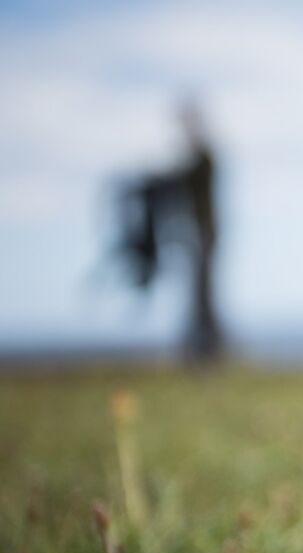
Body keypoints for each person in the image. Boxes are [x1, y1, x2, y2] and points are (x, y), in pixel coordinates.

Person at [111, 100, 222, 362]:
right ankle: (202, 347)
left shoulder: (204, 157)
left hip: (204, 233)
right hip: (196, 235)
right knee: (199, 294)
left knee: (203, 293)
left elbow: (183, 178)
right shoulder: (197, 158)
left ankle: (208, 348)